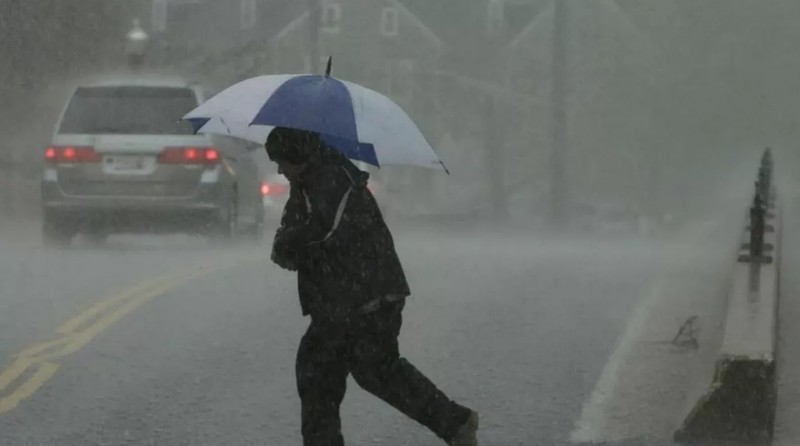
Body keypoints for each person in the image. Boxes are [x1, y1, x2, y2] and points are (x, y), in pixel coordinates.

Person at [265, 127, 479, 446]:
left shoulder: (333, 177)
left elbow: (325, 228)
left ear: (298, 155)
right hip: (339, 301)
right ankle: (454, 422)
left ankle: (455, 422)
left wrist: (292, 242)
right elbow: (293, 229)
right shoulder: (307, 183)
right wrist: (285, 245)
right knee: (323, 374)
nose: (279, 169)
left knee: (371, 371)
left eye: (282, 161)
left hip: (367, 296)